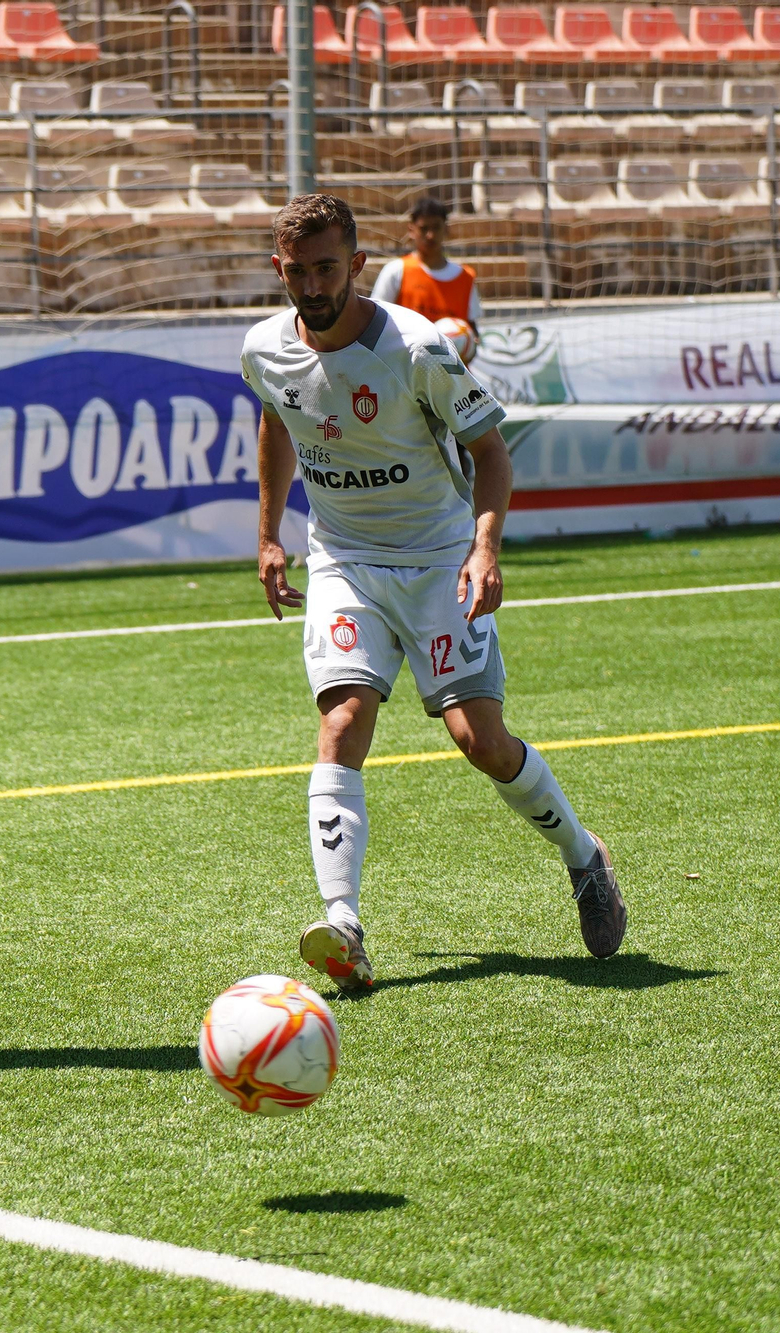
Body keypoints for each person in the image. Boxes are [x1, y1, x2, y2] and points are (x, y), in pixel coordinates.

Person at [239, 193, 624, 989]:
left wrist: (485, 549)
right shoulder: (264, 350)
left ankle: (584, 855)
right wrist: (271, 533)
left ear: (358, 266)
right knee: (343, 718)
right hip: (344, 558)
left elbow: (491, 452)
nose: (312, 285)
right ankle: (341, 921)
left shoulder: (415, 348)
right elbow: (280, 421)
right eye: (297, 270)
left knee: (479, 741)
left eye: (326, 267)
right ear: (279, 269)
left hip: (438, 556)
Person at [369, 195, 482, 345]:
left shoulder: (465, 277)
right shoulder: (396, 271)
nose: (430, 235)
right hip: (408, 366)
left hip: (451, 367)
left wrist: (471, 344)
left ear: (446, 229)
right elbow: (375, 321)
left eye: (436, 227)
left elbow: (473, 329)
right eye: (424, 229)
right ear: (411, 230)